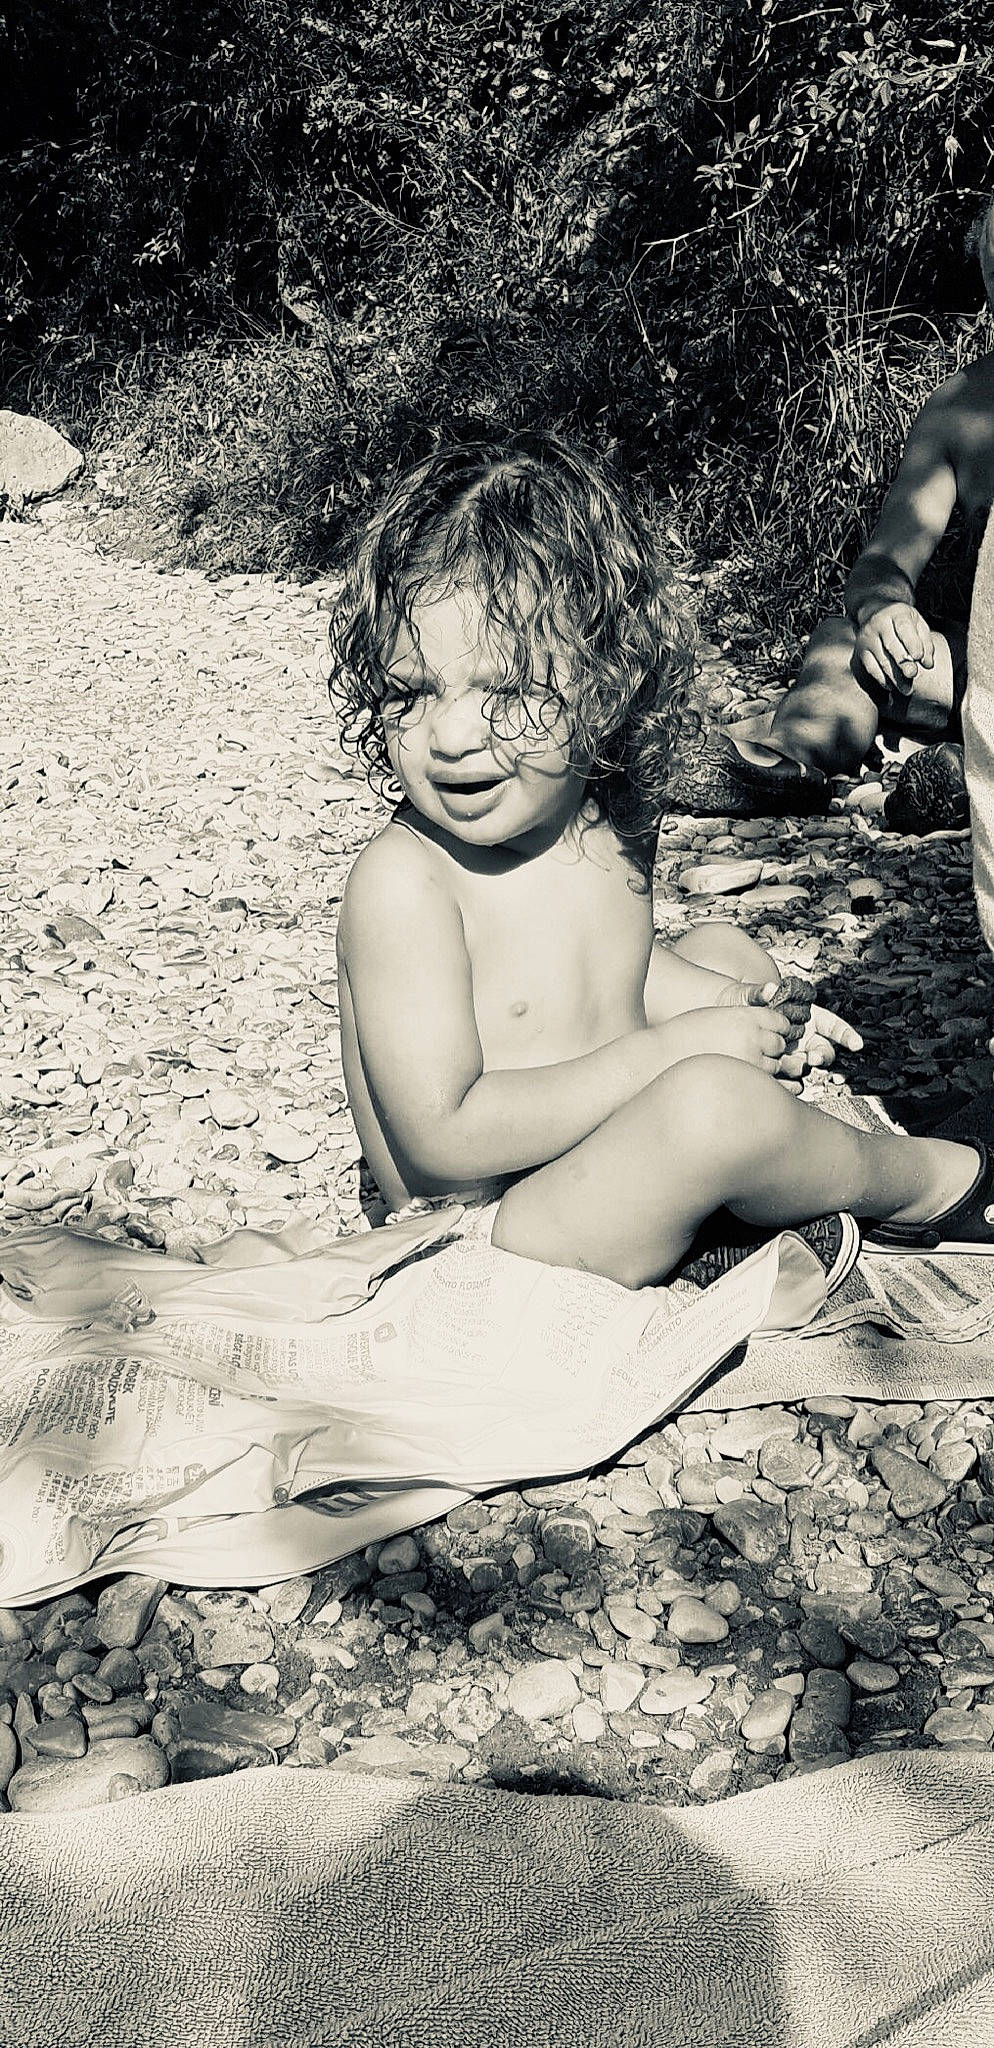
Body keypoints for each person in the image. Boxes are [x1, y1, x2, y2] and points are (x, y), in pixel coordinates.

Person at [330, 431, 994, 1301]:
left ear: (606, 687)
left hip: (597, 1153)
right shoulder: (404, 885)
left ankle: (740, 1190)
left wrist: (729, 1010)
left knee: (727, 951)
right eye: (409, 692)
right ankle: (932, 1183)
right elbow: (444, 1139)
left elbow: (616, 975)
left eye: (509, 690)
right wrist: (679, 1055)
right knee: (713, 1106)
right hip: (496, 1228)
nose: (451, 737)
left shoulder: (608, 815)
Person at [697, 201, 994, 833]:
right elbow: (886, 557)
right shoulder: (962, 409)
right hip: (982, 675)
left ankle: (954, 782)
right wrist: (885, 610)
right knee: (842, 645)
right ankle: (787, 766)